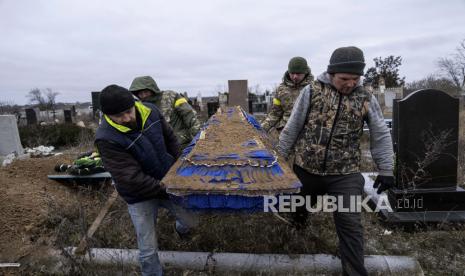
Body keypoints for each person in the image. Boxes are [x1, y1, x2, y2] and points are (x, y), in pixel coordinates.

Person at [277, 46, 394, 276]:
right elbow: (292, 128)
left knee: (350, 224)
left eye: (355, 78)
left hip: (345, 173)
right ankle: (297, 237)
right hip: (306, 168)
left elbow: (380, 133)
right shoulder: (312, 91)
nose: (350, 83)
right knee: (298, 211)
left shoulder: (365, 97)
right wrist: (279, 162)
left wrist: (387, 169)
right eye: (344, 78)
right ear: (331, 74)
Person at [95, 85, 197, 276]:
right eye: (118, 116)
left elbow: (170, 139)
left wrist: (179, 166)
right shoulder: (106, 138)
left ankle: (180, 231)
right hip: (139, 195)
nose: (126, 118)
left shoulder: (151, 111)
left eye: (127, 111)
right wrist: (166, 186)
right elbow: (131, 179)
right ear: (107, 115)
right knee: (148, 249)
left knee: (191, 222)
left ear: (134, 104)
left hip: (167, 180)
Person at [129, 76, 201, 149]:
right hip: (161, 148)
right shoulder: (139, 106)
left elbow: (189, 115)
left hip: (182, 143)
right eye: (140, 93)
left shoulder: (170, 96)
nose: (143, 95)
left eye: (146, 92)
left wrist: (199, 138)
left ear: (152, 89)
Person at [261, 57, 314, 134]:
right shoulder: (281, 90)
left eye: (298, 74)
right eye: (292, 73)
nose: (295, 76)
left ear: (305, 72)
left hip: (306, 134)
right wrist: (261, 129)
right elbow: (275, 114)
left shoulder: (314, 89)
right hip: (285, 132)